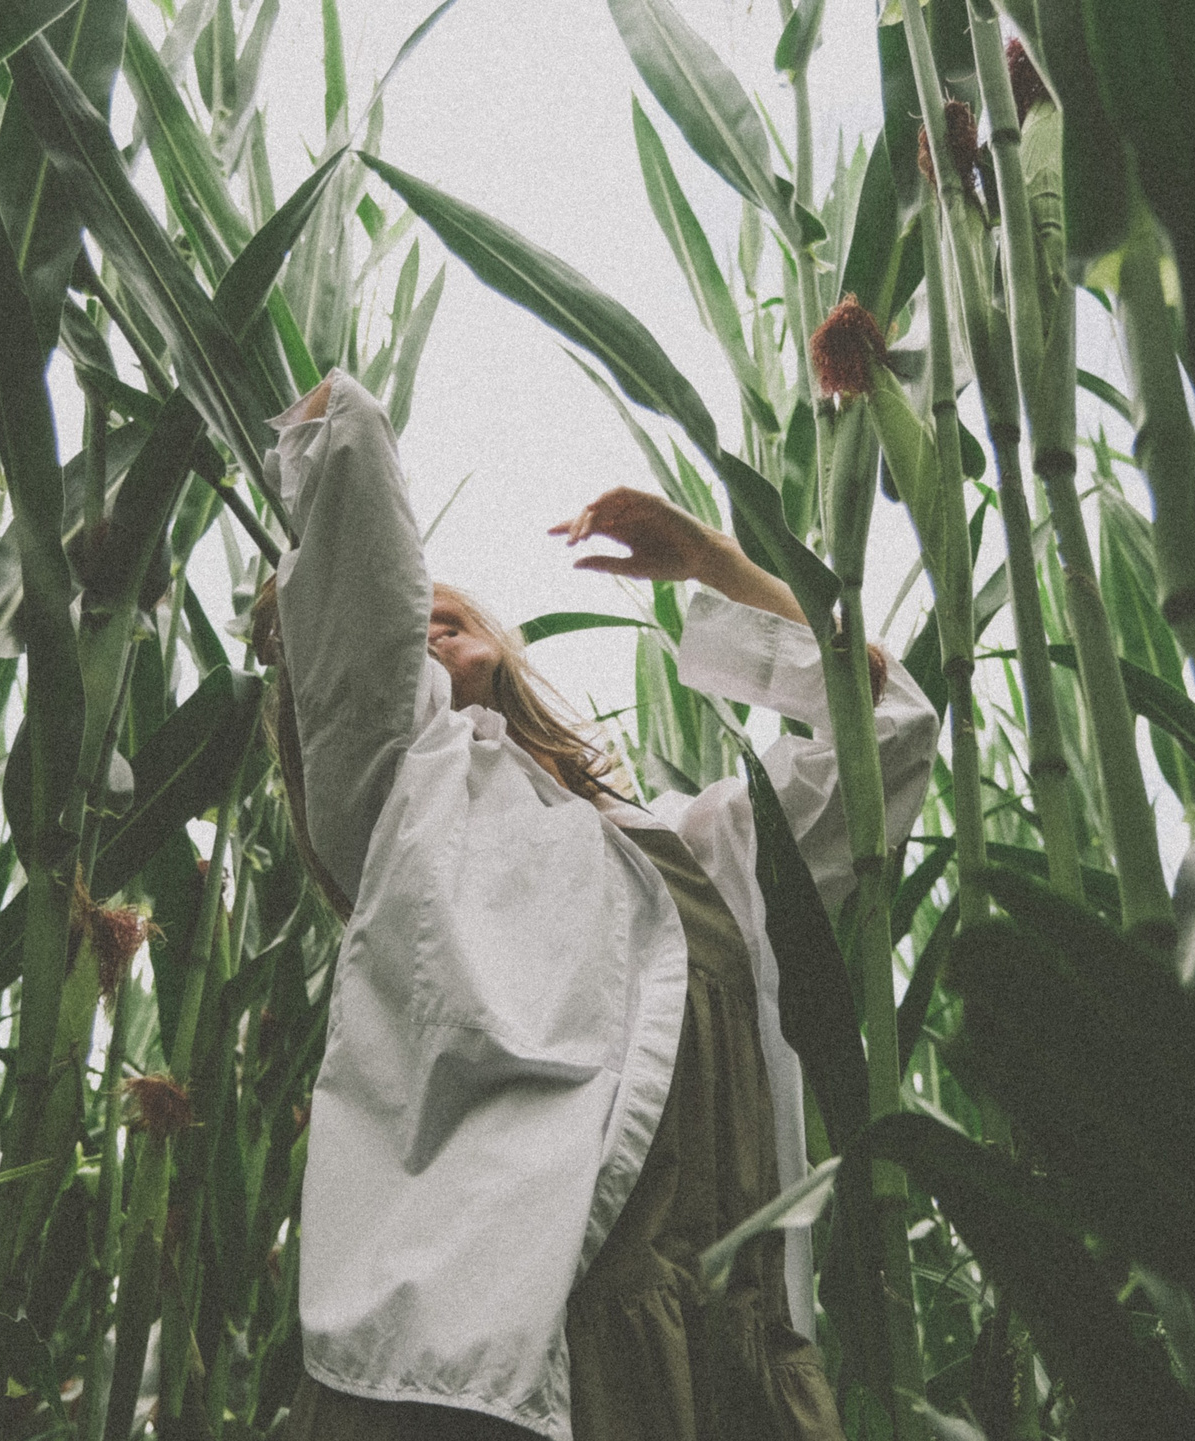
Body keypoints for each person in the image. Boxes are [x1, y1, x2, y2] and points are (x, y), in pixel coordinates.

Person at [257, 371, 937, 1441]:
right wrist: (325, 420)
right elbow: (353, 541)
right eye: (408, 624)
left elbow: (885, 732)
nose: (426, 627)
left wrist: (720, 566)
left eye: (450, 613)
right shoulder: (400, 791)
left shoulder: (694, 845)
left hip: (729, 1341)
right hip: (516, 1339)